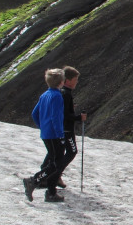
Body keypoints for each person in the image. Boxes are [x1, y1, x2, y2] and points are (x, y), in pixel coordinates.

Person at [23, 68, 68, 203]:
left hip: (46, 133)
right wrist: (60, 135)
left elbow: (34, 113)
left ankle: (48, 190)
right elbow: (55, 117)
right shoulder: (57, 96)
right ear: (61, 82)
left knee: (54, 161)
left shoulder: (45, 95)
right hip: (54, 135)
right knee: (56, 163)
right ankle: (34, 181)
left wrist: (43, 126)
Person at [55, 65, 87, 188]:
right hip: (66, 128)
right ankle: (55, 174)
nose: (77, 82)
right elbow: (65, 115)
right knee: (72, 151)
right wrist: (79, 117)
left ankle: (54, 174)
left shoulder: (61, 92)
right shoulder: (66, 94)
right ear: (68, 81)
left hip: (62, 128)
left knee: (62, 152)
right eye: (75, 80)